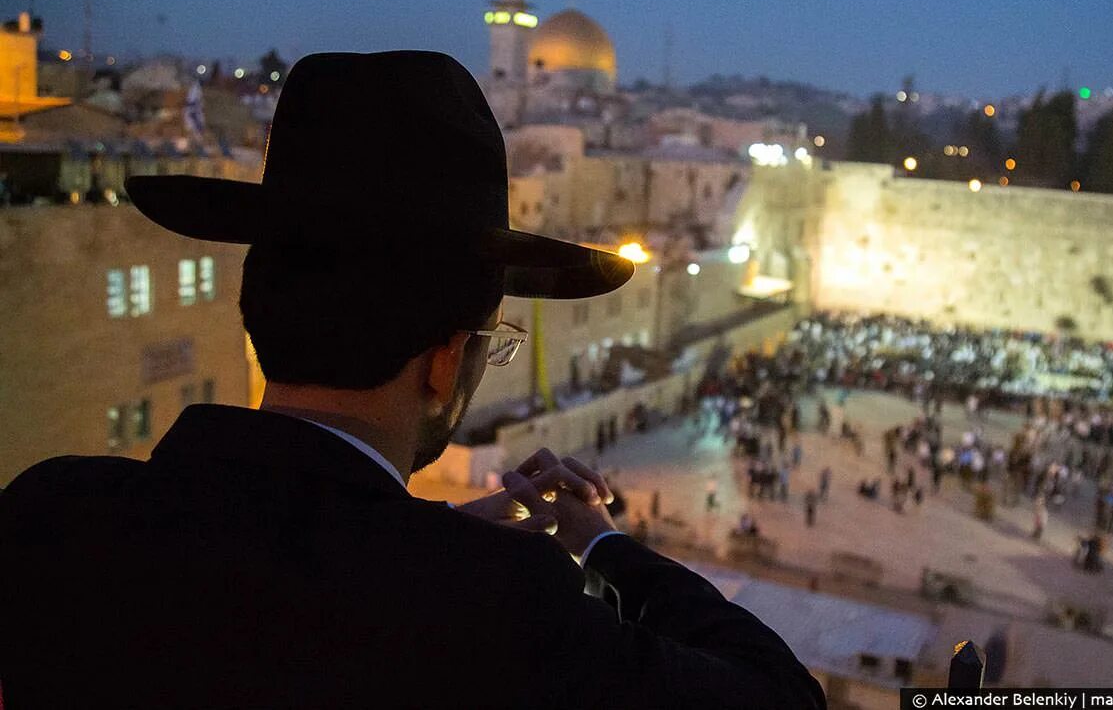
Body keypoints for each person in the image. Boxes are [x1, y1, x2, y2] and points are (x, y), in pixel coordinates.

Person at [0, 52, 824, 709]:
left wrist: (422, 535)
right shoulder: (498, 611)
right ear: (444, 360)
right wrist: (597, 542)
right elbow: (778, 693)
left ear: (256, 313)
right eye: (489, 346)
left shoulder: (52, 513)